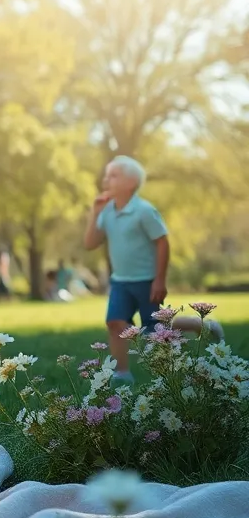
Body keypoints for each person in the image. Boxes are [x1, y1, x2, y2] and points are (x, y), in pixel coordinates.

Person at [83, 155, 220, 379]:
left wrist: (159, 280)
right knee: (115, 322)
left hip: (147, 281)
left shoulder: (144, 211)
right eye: (106, 175)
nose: (106, 180)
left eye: (113, 175)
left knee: (155, 330)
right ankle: (122, 373)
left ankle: (200, 324)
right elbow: (90, 243)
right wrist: (95, 213)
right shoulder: (107, 211)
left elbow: (162, 242)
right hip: (120, 281)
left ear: (131, 183)